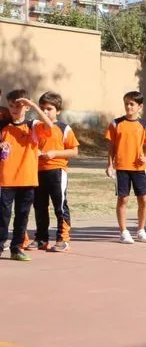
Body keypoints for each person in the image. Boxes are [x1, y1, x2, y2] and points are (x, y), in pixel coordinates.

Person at [0, 90, 55, 261]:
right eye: (11, 106)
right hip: (6, 180)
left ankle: (16, 248)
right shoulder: (3, 126)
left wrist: (34, 106)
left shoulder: (33, 126)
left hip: (27, 179)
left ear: (26, 107)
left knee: (22, 216)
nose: (14, 109)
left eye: (18, 106)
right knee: (3, 216)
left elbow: (50, 126)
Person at [27, 91, 79, 253]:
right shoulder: (35, 126)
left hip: (57, 171)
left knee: (59, 206)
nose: (45, 111)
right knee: (40, 206)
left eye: (49, 109)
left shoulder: (64, 128)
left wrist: (54, 153)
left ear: (58, 111)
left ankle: (63, 238)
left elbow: (74, 151)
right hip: (38, 171)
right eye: (42, 108)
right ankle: (41, 238)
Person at [106, 91, 146, 244]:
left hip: (139, 168)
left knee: (144, 199)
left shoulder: (145, 125)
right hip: (122, 167)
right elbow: (111, 146)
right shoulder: (116, 124)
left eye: (132, 104)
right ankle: (124, 232)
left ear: (140, 107)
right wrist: (110, 165)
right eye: (126, 104)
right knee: (123, 199)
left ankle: (141, 230)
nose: (128, 107)